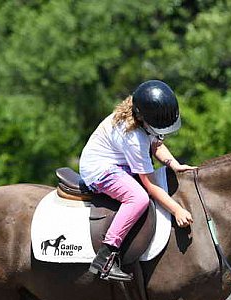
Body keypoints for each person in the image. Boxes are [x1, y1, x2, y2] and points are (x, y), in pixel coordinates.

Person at [79, 79, 194, 282]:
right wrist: (176, 210)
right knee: (138, 198)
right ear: (143, 118)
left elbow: (156, 144)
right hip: (100, 170)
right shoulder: (134, 137)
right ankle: (105, 256)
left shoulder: (142, 117)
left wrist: (174, 165)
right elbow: (150, 185)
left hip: (119, 162)